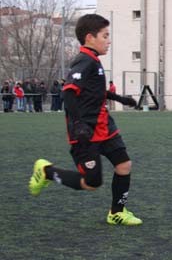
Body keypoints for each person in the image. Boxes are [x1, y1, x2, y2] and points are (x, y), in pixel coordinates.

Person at [28, 13, 141, 225]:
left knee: (124, 165)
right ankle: (47, 172)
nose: (109, 40)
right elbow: (69, 92)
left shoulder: (94, 61)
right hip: (85, 132)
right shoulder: (84, 61)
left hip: (105, 127)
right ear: (90, 37)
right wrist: (78, 124)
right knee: (91, 183)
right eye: (105, 35)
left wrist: (120, 98)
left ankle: (117, 212)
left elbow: (94, 92)